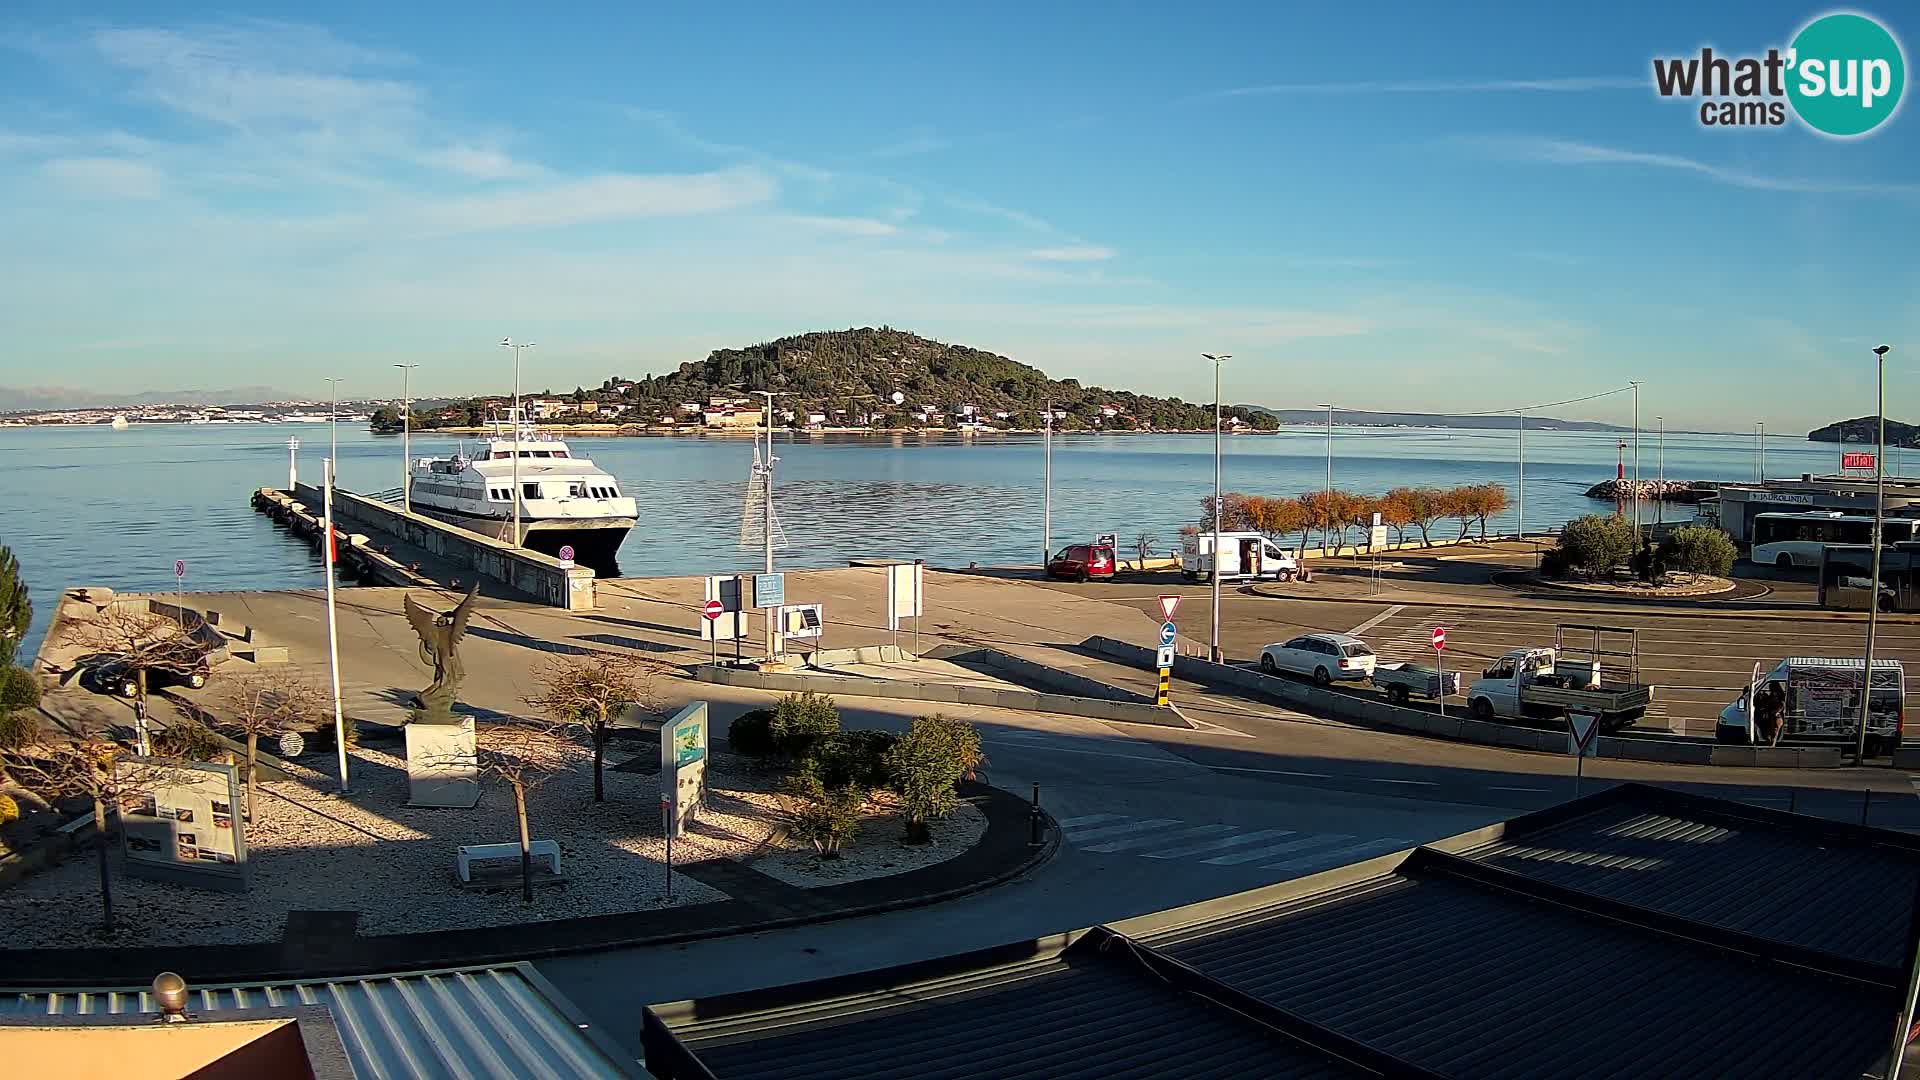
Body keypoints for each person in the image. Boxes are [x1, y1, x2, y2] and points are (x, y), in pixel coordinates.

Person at [1755, 680, 1786, 746]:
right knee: (1772, 733)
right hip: (1774, 716)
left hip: (1776, 717)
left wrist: (1776, 711)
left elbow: (1781, 704)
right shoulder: (1778, 694)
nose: (1769, 688)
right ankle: (1771, 744)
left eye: (1771, 687)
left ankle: (1771, 745)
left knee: (1774, 733)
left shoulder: (1777, 695)